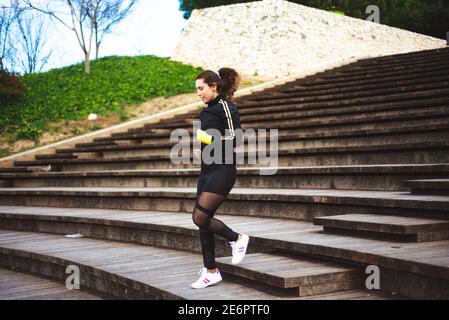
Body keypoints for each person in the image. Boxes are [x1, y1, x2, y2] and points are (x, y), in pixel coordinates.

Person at [190, 67, 249, 289]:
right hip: (207, 170)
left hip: (223, 170)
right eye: (196, 89)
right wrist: (201, 149)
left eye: (201, 88)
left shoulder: (225, 106)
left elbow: (236, 137)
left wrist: (208, 138)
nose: (198, 93)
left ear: (214, 86)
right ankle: (211, 270)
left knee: (200, 217)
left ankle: (237, 238)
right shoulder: (207, 110)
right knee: (202, 223)